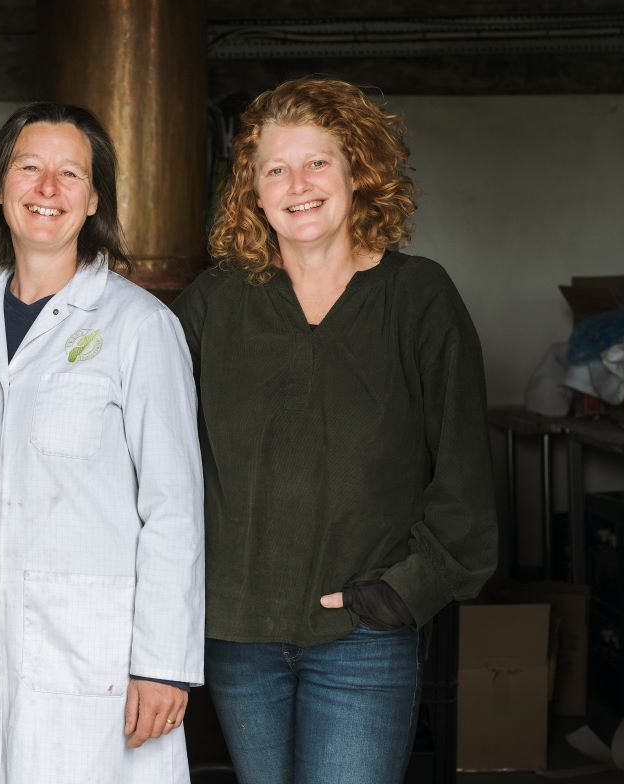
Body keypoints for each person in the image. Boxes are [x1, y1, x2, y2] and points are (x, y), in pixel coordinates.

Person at [171, 77, 498, 784]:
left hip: (364, 635)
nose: (299, 184)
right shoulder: (214, 305)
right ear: (252, 193)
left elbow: (466, 477)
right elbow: (154, 454)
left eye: (318, 162)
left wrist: (403, 592)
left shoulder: (419, 298)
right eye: (275, 169)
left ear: (359, 173)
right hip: (238, 633)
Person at [0, 102, 205, 784]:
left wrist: (162, 664)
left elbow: (174, 506)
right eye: (29, 168)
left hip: (99, 666)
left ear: (93, 201)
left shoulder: (140, 327)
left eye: (70, 173)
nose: (47, 189)